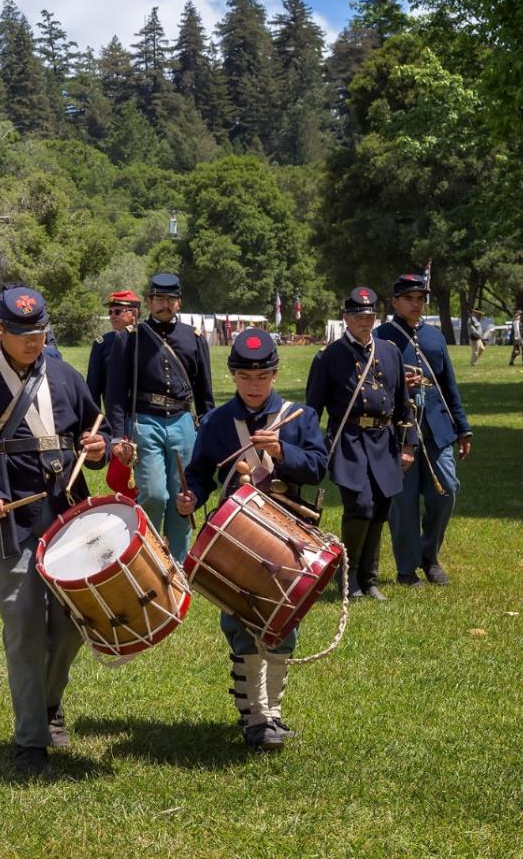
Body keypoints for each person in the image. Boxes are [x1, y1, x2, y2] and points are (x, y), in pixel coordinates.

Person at [0, 286, 108, 776]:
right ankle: (31, 739)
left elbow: (93, 435)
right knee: (25, 630)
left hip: (67, 521)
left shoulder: (64, 375)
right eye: (21, 334)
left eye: (38, 332)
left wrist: (100, 447)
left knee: (74, 625)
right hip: (9, 526)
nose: (32, 341)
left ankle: (49, 704)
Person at [177, 329, 327, 751]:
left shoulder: (301, 417)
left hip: (287, 534)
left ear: (275, 374)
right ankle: (255, 718)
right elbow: (202, 472)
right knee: (240, 619)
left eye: (262, 377)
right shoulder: (218, 423)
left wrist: (282, 452)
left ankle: (271, 712)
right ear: (233, 376)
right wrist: (191, 496)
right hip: (236, 536)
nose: (254, 385)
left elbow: (318, 467)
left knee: (282, 622)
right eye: (245, 377)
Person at [305, 287, 417, 600]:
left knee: (381, 506)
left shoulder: (389, 351)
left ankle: (369, 580)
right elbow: (313, 408)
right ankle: (349, 576)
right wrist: (311, 446)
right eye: (358, 316)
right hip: (349, 442)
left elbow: (402, 403)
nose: (364, 322)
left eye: (369, 316)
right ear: (346, 319)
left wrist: (408, 445)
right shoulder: (329, 357)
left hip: (384, 440)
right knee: (361, 505)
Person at [106, 272, 213, 561]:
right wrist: (117, 436)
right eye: (159, 299)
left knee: (182, 498)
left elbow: (205, 393)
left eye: (170, 299)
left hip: (182, 421)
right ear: (150, 302)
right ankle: (148, 559)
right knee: (153, 494)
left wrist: (210, 433)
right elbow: (115, 394)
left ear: (179, 302)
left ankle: (176, 565)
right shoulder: (130, 338)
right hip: (144, 420)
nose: (165, 304)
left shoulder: (194, 338)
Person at [377, 273, 472, 586]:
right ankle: (406, 568)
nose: (416, 304)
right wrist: (399, 382)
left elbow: (449, 385)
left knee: (446, 490)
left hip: (437, 429)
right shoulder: (380, 337)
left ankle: (429, 555)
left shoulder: (435, 337)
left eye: (420, 299)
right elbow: (372, 388)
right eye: (409, 299)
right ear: (395, 302)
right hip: (398, 433)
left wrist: (463, 428)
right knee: (403, 504)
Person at [86, 290, 140, 408]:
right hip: (115, 411)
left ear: (134, 314)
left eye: (118, 311)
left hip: (145, 414)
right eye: (110, 312)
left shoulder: (147, 339)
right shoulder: (101, 344)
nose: (112, 316)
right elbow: (93, 387)